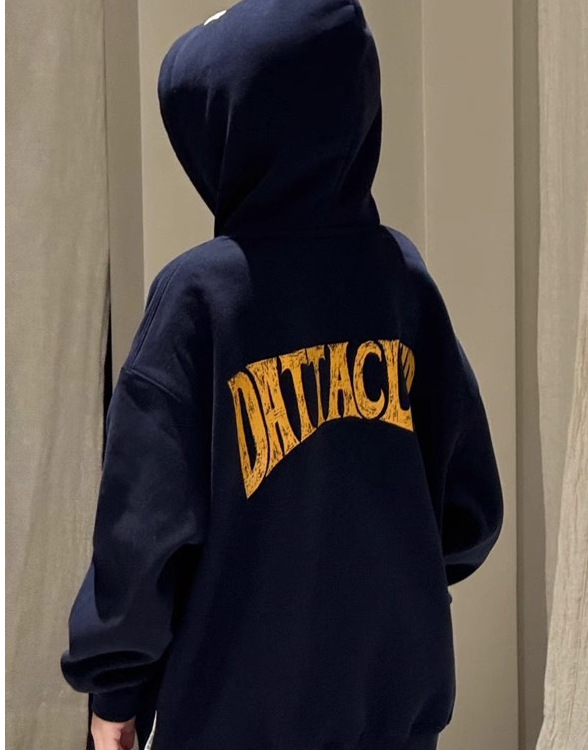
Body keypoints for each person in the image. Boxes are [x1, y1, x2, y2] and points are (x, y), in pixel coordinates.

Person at [60, 1, 504, 748]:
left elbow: (143, 531)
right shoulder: (400, 280)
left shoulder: (198, 298)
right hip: (386, 708)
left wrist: (117, 687)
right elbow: (469, 507)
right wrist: (392, 602)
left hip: (233, 716)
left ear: (225, 138)